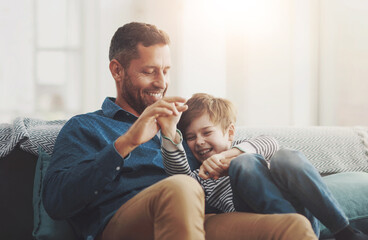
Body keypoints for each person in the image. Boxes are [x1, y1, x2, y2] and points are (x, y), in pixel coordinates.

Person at [42, 22, 317, 240]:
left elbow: (233, 150)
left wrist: (231, 154)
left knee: (291, 227)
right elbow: (57, 202)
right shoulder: (86, 127)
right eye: (149, 71)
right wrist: (126, 143)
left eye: (166, 71)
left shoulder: (181, 129)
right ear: (117, 70)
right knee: (180, 186)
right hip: (122, 224)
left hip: (198, 221)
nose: (161, 83)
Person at [159, 92, 368, 240]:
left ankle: (345, 232)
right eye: (191, 137)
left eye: (207, 132)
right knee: (243, 165)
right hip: (265, 219)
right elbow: (178, 175)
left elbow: (270, 142)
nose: (198, 141)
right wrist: (169, 132)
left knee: (285, 158)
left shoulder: (244, 147)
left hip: (300, 213)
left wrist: (230, 156)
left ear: (230, 133)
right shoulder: (201, 175)